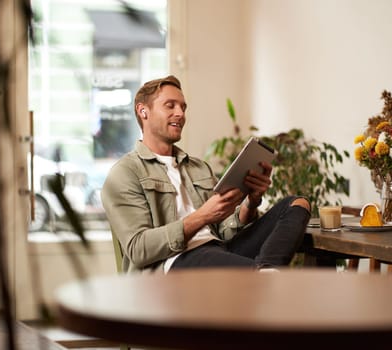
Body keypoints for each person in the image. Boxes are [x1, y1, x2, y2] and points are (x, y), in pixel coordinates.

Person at [101, 75, 311, 274]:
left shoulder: (198, 168)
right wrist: (202, 216)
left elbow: (224, 230)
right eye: (170, 105)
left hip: (219, 249)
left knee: (298, 204)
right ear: (143, 111)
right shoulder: (125, 173)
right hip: (176, 261)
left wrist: (251, 202)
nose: (180, 113)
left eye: (183, 107)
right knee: (217, 257)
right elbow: (139, 250)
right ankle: (264, 276)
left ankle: (266, 272)